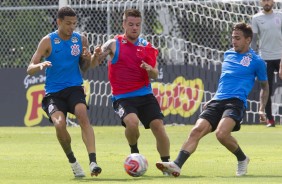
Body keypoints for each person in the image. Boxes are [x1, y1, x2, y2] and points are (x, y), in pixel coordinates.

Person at [155, 22, 269, 177]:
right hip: (217, 101)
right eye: (232, 38)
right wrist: (214, 97)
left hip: (235, 102)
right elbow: (225, 80)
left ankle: (242, 159)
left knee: (221, 134)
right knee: (196, 131)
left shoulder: (257, 61)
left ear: (248, 40)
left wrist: (261, 108)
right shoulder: (228, 54)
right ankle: (176, 165)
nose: (233, 41)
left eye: (237, 38)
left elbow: (265, 86)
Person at [91, 8, 171, 175]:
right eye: (131, 24)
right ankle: (134, 152)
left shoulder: (146, 46)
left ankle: (167, 165)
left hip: (145, 94)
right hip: (123, 97)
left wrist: (150, 69)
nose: (135, 28)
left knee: (158, 126)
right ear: (124, 24)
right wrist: (96, 55)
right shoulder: (114, 44)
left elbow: (155, 74)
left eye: (137, 25)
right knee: (132, 123)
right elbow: (96, 61)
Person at [26, 6, 102, 178]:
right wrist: (39, 65)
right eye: (68, 23)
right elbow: (30, 68)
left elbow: (85, 68)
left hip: (74, 87)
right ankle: (73, 161)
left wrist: (92, 57)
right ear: (59, 22)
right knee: (60, 124)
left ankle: (93, 162)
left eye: (74, 23)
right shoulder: (48, 41)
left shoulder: (81, 39)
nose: (72, 27)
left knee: (82, 114)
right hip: (54, 93)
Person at [251, 0, 282, 127]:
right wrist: (253, 58)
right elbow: (253, 41)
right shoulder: (256, 18)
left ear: (273, 2)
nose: (267, 3)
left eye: (269, 0)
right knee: (266, 88)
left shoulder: (280, 15)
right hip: (264, 58)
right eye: (264, 0)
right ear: (260, 3)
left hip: (281, 57)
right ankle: (270, 119)